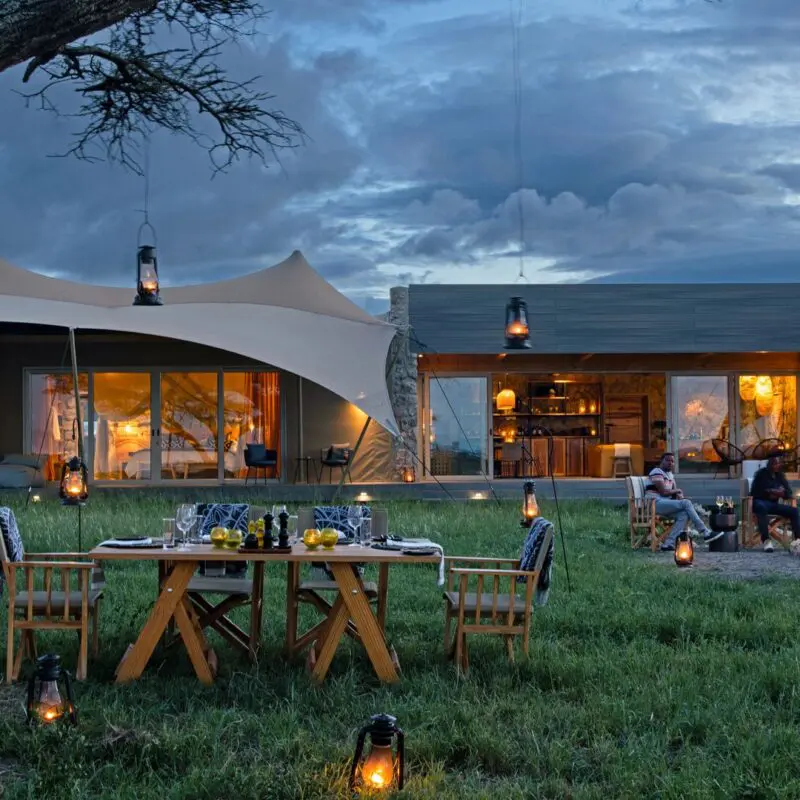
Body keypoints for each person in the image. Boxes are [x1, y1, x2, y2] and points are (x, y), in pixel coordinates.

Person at [646, 452, 721, 551]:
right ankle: (704, 531)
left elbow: (674, 492)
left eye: (672, 461)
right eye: (667, 460)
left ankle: (669, 544)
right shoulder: (656, 472)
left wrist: (679, 495)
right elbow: (664, 492)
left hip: (665, 504)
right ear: (661, 461)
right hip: (655, 504)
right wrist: (678, 492)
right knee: (686, 503)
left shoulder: (670, 475)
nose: (670, 463)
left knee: (684, 514)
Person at [750, 454, 800, 552]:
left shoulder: (780, 476)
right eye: (774, 463)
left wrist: (781, 493)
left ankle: (798, 540)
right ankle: (766, 541)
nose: (777, 465)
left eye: (778, 463)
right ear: (770, 463)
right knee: (761, 507)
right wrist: (772, 492)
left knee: (794, 511)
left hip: (773, 504)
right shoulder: (761, 474)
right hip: (760, 502)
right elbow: (755, 492)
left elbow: (788, 493)